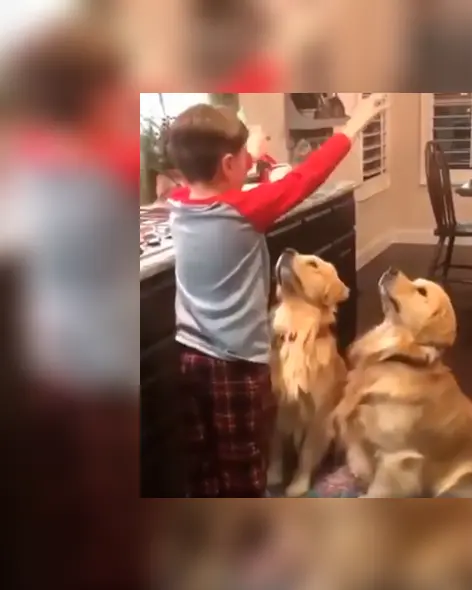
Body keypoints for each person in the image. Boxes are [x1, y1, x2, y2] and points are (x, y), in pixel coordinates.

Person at [166, 94, 386, 497]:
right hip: (235, 364)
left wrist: (247, 154)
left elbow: (214, 185)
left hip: (187, 354)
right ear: (229, 165)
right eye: (240, 160)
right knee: (242, 460)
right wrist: (352, 127)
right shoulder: (245, 210)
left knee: (202, 458)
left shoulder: (178, 204)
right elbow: (305, 178)